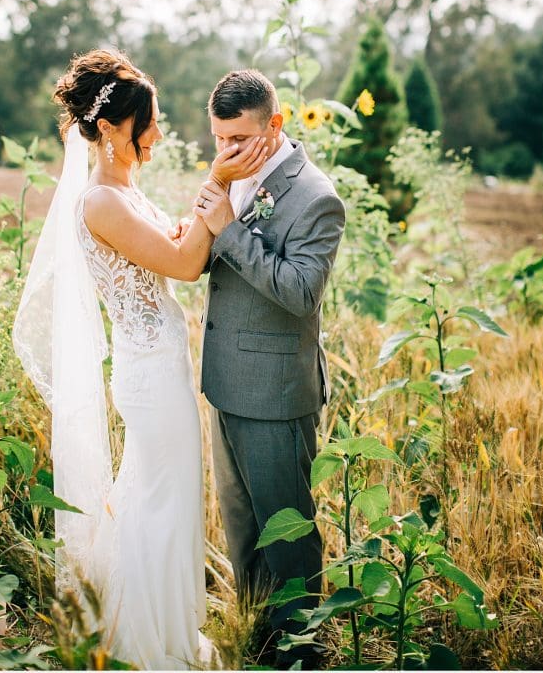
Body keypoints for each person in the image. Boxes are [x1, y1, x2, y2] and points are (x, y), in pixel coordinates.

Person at [12, 48, 266, 671]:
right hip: (149, 376)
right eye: (145, 124)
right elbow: (182, 263)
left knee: (163, 495)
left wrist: (198, 221)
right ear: (106, 130)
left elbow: (173, 250)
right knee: (159, 499)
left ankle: (155, 627)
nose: (156, 133)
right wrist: (218, 184)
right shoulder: (100, 202)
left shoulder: (125, 188)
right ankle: (141, 642)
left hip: (164, 367)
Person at [191, 69, 346, 668]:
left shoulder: (316, 197)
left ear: (275, 125)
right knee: (242, 531)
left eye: (236, 140)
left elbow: (302, 292)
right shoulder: (231, 176)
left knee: (287, 535)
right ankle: (258, 640)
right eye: (217, 140)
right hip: (226, 384)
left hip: (278, 394)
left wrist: (229, 229)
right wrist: (217, 195)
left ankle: (303, 650)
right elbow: (202, 254)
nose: (224, 152)